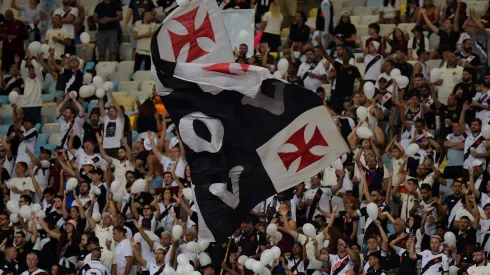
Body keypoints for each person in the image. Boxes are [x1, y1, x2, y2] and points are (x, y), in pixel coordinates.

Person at [98, 90, 125, 158]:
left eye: (112, 111)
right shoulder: (106, 119)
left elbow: (119, 109)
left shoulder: (120, 120)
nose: (110, 112)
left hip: (116, 147)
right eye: (109, 111)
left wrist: (111, 97)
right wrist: (101, 97)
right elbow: (101, 109)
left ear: (116, 113)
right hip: (105, 147)